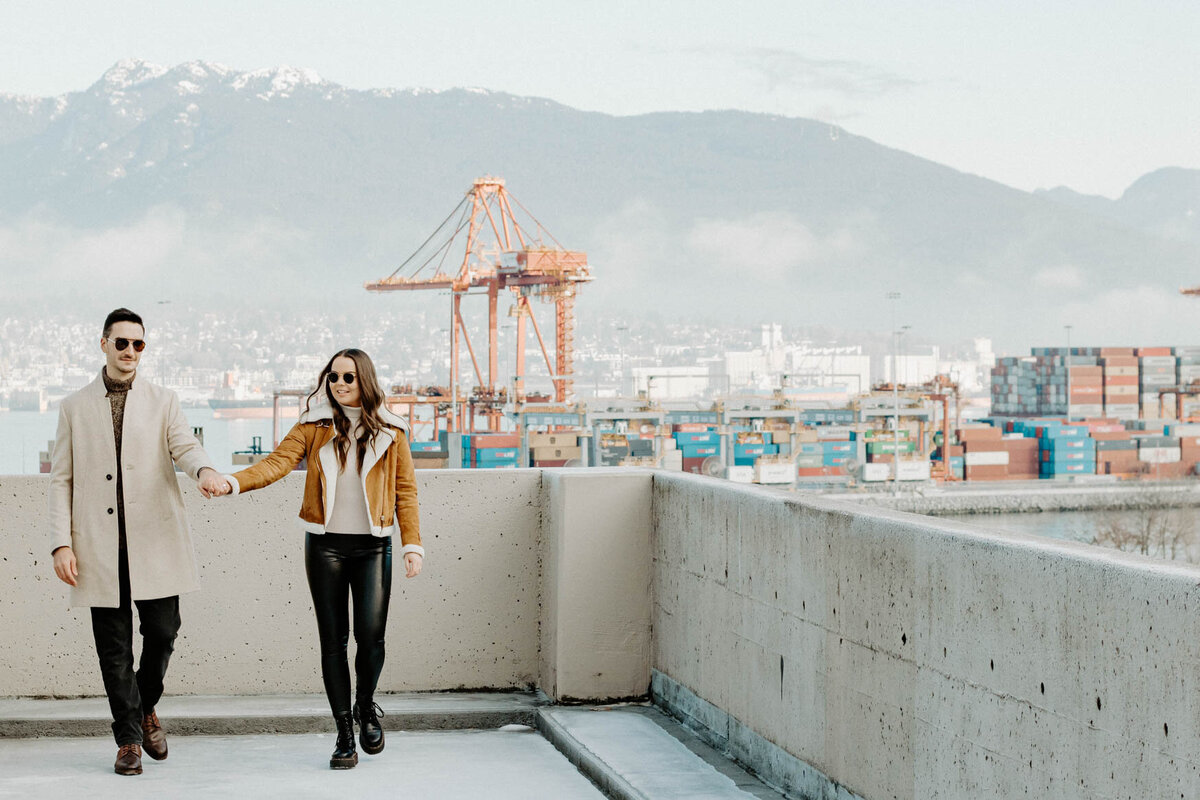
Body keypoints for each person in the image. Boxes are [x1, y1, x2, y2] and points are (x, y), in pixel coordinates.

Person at [217, 348, 423, 770]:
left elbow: (406, 492)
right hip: (324, 546)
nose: (340, 384)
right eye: (333, 377)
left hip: (373, 546)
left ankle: (366, 708)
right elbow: (276, 464)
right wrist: (232, 483)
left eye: (349, 377)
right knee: (334, 643)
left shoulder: (392, 430)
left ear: (365, 379)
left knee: (372, 639)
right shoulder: (313, 425)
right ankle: (344, 733)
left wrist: (411, 544)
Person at [48, 307, 230, 776]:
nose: (131, 352)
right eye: (122, 343)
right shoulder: (73, 406)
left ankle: (145, 706)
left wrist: (205, 470)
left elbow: (184, 446)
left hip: (156, 540)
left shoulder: (163, 400)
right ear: (104, 344)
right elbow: (61, 480)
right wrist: (61, 543)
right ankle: (129, 738)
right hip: (98, 546)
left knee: (163, 633)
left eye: (139, 344)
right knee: (113, 647)